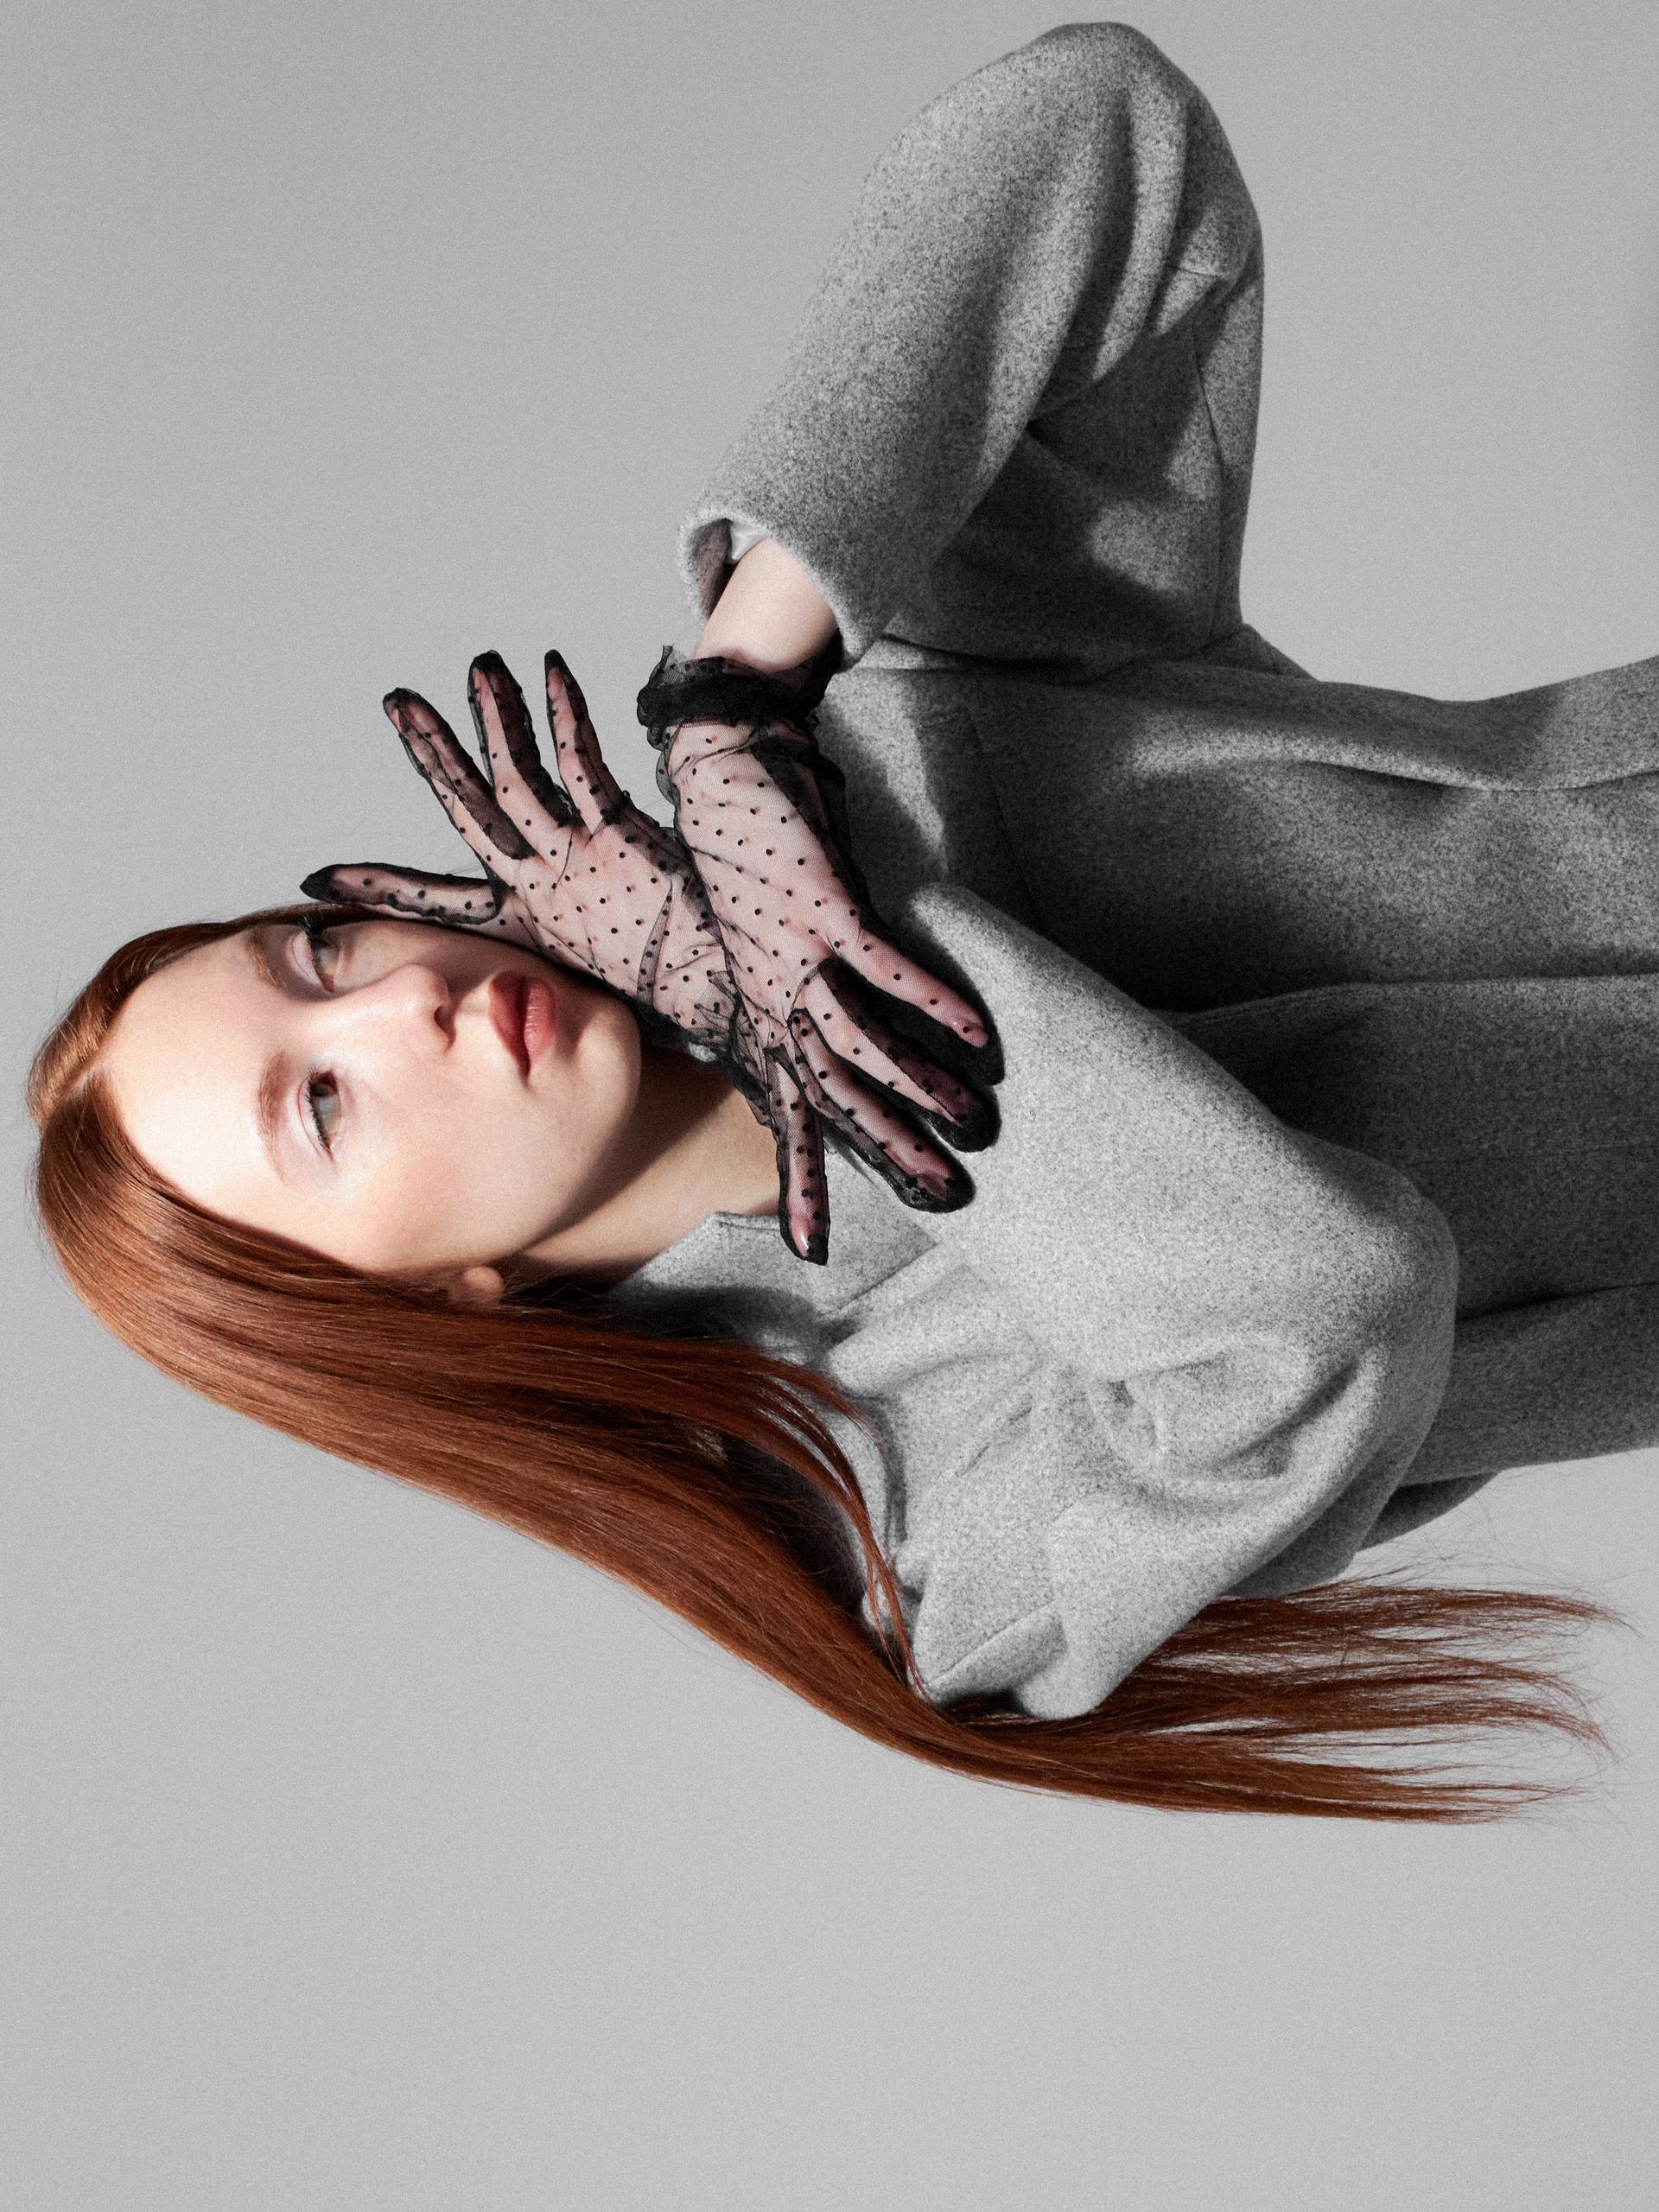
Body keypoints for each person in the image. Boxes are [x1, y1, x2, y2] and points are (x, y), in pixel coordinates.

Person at [29, 22, 1647, 1820]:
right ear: (419, 1304)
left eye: (319, 957)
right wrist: (807, 1000)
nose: (399, 1008)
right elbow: (1324, 1309)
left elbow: (1104, 133)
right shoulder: (902, 1530)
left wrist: (741, 694)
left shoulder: (879, 757)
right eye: (321, 1105)